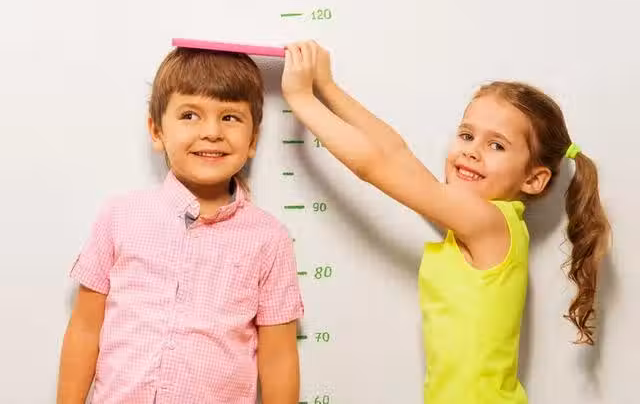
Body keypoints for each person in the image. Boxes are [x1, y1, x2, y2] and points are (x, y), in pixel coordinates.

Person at [280, 40, 610, 403]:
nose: (472, 151)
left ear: (533, 179)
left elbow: (376, 165)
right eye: (467, 135)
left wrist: (302, 100)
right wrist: (328, 88)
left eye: (497, 145)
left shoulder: (488, 221)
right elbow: (394, 151)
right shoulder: (485, 221)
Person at [57, 47, 304, 404]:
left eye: (230, 117)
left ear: (253, 140)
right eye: (190, 115)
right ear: (156, 131)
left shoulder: (270, 239)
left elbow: (279, 357)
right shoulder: (119, 216)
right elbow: (85, 328)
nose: (212, 132)